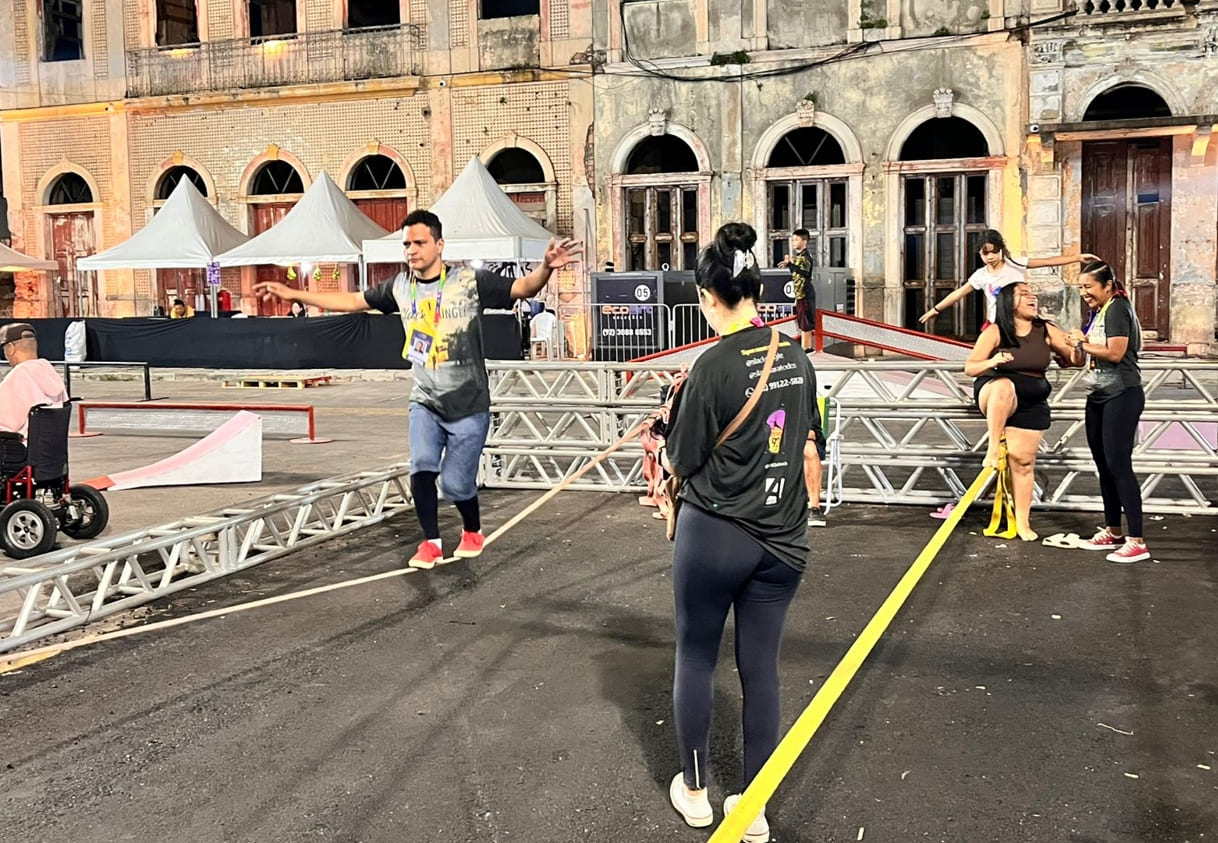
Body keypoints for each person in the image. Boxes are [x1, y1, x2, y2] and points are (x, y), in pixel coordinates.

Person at [253, 210, 581, 568]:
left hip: (469, 404)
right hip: (425, 400)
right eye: (406, 244)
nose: (411, 250)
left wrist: (546, 267)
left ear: (439, 245)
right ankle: (431, 542)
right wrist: (294, 293)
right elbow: (352, 300)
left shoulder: (469, 281)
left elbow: (523, 288)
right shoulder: (399, 286)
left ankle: (472, 530)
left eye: (419, 243)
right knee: (422, 465)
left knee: (456, 485)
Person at [660, 222, 818, 843]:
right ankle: (753, 809)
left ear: (708, 296)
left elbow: (682, 457)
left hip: (717, 533)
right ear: (756, 289)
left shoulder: (711, 365)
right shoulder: (796, 355)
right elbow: (804, 434)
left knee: (697, 654)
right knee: (762, 669)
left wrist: (668, 425)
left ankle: (696, 790)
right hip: (784, 537)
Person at [965, 282, 1083, 541]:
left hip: (1031, 397)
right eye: (1024, 294)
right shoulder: (996, 331)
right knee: (1004, 386)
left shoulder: (1046, 329)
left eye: (1033, 293)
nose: (1033, 297)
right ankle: (992, 448)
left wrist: (1078, 345)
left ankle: (1022, 522)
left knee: (1023, 462)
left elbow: (1075, 360)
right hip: (995, 391)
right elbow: (971, 367)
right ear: (1009, 302)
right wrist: (993, 361)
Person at [1067, 261, 1149, 563]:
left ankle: (1137, 541)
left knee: (1118, 464)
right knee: (1103, 465)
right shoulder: (1098, 312)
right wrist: (1076, 344)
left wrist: (1082, 343)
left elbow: (1115, 352)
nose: (1084, 292)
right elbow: (1084, 355)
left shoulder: (1117, 308)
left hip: (1122, 394)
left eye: (1088, 286)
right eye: (1081, 287)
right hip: (1099, 395)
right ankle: (1113, 531)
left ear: (1108, 286)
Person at [919, 229, 1097, 329]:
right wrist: (936, 309)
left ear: (1001, 249)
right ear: (980, 254)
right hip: (996, 324)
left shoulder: (1016, 264)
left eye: (994, 252)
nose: (990, 257)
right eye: (985, 254)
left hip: (1022, 323)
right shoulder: (981, 275)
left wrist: (1078, 258)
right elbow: (959, 293)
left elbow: (1048, 261)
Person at [0, 323, 69, 473]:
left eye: (4, 349)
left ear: (11, 348)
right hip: (51, 454)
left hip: (20, 451)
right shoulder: (50, 372)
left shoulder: (18, 376)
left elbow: (6, 423)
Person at [777, 228, 814, 350]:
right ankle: (805, 346)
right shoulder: (799, 256)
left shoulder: (805, 256)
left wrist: (790, 264)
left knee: (806, 322)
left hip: (805, 293)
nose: (793, 242)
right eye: (793, 240)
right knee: (802, 321)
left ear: (804, 241)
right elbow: (796, 273)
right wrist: (790, 265)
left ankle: (806, 347)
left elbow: (805, 273)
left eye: (796, 240)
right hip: (800, 293)